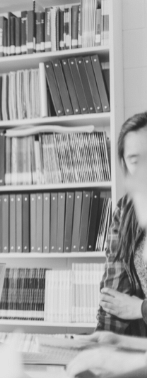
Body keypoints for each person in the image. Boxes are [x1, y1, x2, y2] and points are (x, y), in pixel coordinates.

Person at [97, 112, 147, 336]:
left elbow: (130, 306)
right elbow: (113, 295)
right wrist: (100, 343)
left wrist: (139, 308)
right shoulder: (126, 210)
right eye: (135, 161)